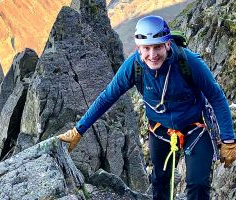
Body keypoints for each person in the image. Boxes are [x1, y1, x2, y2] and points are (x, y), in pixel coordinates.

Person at [58, 15, 236, 200]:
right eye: (146, 48)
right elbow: (106, 98)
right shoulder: (134, 67)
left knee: (198, 184)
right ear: (138, 49)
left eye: (157, 47)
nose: (152, 55)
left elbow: (216, 96)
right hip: (160, 131)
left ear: (167, 44)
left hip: (196, 128)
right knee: (160, 182)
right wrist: (78, 131)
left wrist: (228, 139)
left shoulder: (187, 61)